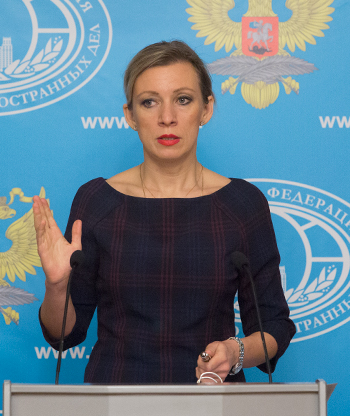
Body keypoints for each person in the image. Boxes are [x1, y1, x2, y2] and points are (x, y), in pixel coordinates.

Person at [33, 40, 295, 384]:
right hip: (114, 400)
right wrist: (56, 286)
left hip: (213, 400)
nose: (167, 118)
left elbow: (274, 326)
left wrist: (235, 352)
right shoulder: (97, 200)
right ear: (130, 115)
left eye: (183, 100)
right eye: (149, 102)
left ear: (206, 109)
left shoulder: (242, 204)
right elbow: (64, 335)